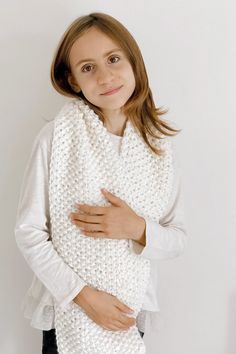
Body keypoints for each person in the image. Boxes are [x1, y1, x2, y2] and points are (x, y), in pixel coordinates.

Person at [15, 12, 188, 354]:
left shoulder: (159, 149)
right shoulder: (55, 139)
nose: (105, 76)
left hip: (129, 310)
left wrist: (136, 228)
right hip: (68, 309)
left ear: (133, 63)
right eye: (88, 67)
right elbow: (29, 231)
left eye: (113, 59)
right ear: (74, 80)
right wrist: (83, 296)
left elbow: (178, 237)